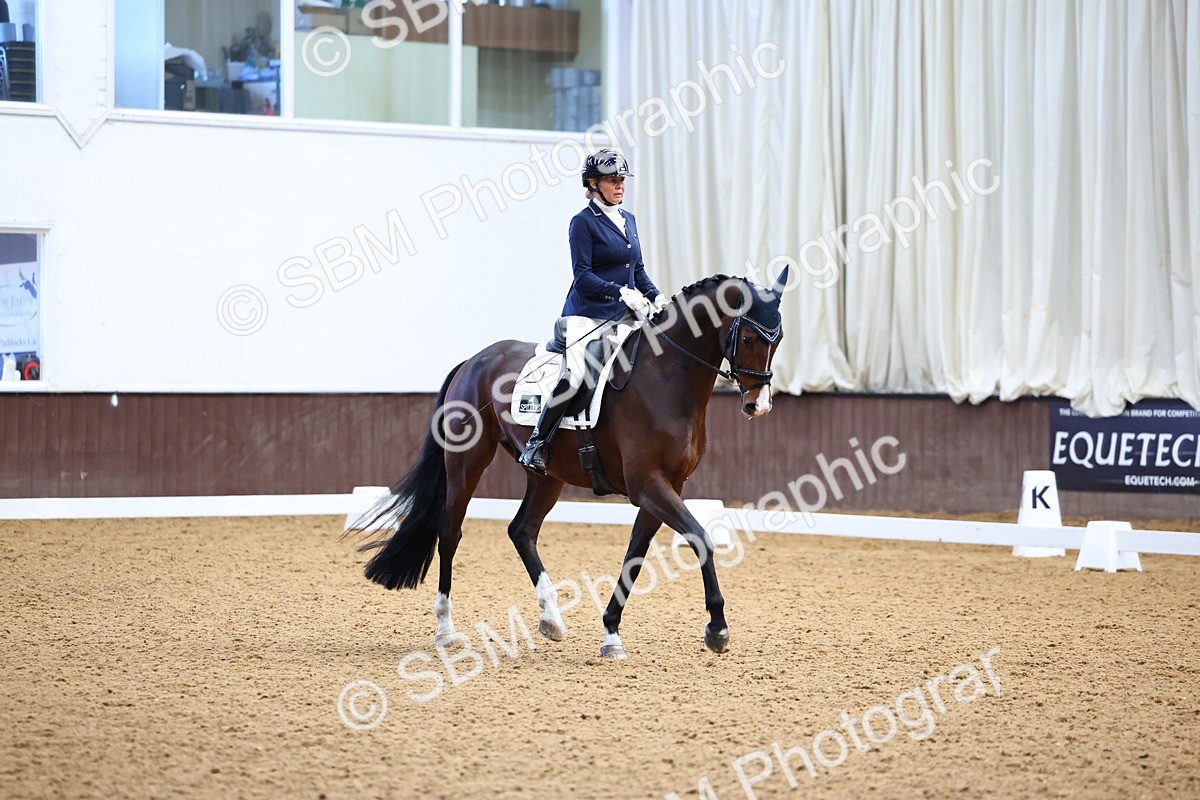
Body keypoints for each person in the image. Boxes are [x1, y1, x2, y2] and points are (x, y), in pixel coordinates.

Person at [518, 148, 669, 475]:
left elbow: (637, 269)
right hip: (585, 314)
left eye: (622, 180)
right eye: (613, 180)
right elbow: (583, 276)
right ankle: (537, 444)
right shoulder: (583, 223)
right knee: (577, 375)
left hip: (623, 315)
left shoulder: (628, 220)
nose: (620, 186)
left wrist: (656, 297)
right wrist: (619, 291)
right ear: (592, 183)